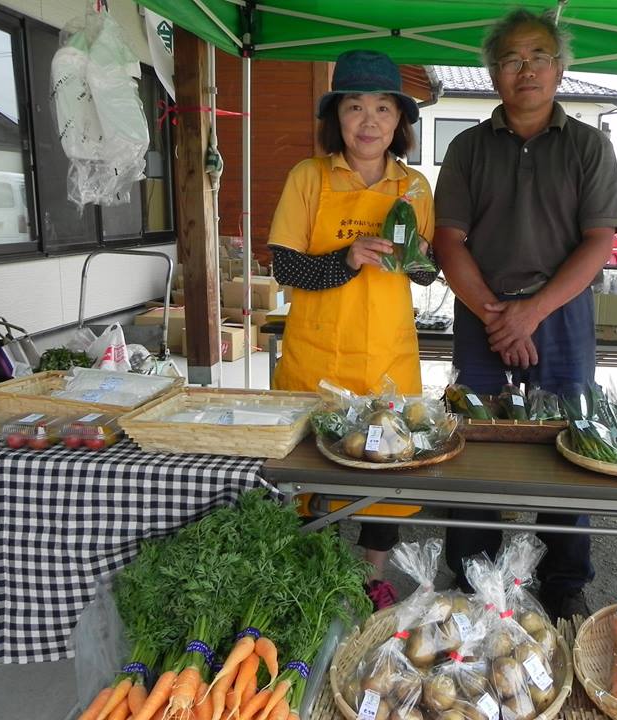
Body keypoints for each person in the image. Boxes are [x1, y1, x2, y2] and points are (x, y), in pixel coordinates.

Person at [433, 8, 617, 620]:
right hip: (479, 309)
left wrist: (532, 313)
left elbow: (599, 241)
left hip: (562, 313)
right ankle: (469, 577)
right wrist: (498, 315)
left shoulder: (590, 144)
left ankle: (564, 581)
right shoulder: (466, 147)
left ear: (560, 67)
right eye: (512, 58)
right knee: (472, 444)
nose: (526, 69)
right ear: (492, 72)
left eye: (539, 56)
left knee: (569, 444)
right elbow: (447, 242)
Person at [268, 49, 437, 610]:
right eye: (355, 107)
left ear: (399, 121)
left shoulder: (413, 187)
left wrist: (418, 261)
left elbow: (425, 269)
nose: (369, 121)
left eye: (383, 109)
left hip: (388, 358)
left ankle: (371, 579)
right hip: (316, 358)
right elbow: (286, 266)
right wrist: (347, 257)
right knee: (305, 474)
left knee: (385, 476)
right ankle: (306, 576)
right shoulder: (309, 177)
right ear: (336, 117)